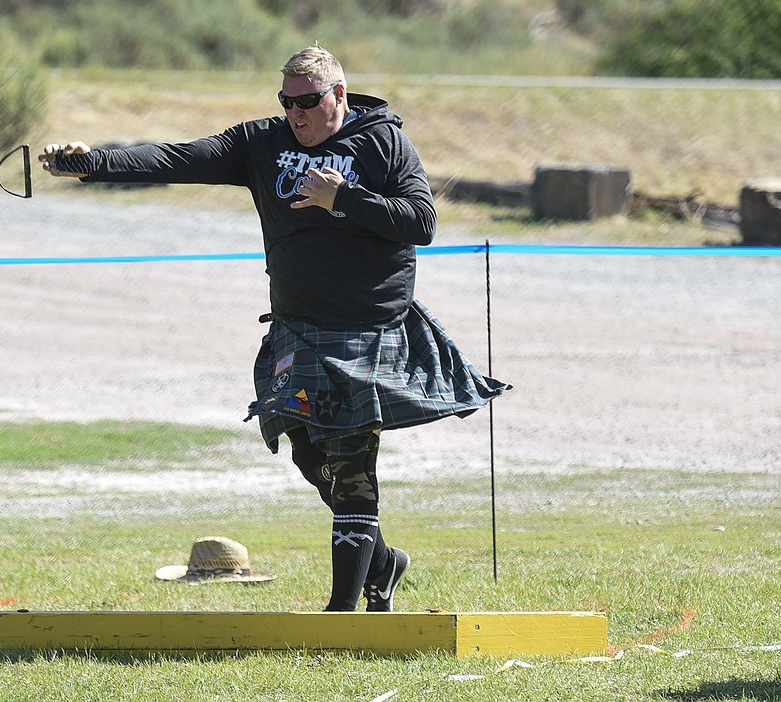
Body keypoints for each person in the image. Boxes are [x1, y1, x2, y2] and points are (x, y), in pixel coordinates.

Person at [41, 46, 508, 612]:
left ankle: (341, 613)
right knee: (310, 454)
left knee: (351, 462)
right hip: (299, 327)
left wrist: (343, 198)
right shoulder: (263, 142)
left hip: (368, 328)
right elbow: (178, 158)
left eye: (308, 102)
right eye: (287, 103)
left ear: (338, 94)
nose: (296, 114)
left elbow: (421, 221)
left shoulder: (383, 142)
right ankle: (382, 562)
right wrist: (96, 164)